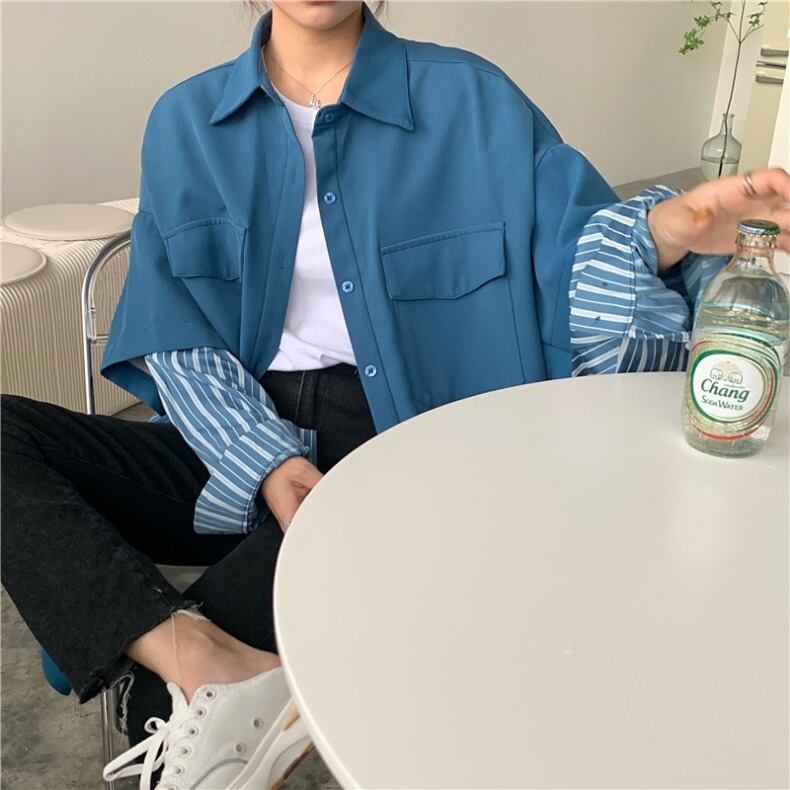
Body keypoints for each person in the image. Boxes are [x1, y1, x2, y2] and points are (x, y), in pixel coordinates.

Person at [2, 1, 788, 788]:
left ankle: (169, 656)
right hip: (232, 435)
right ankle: (199, 651)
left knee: (161, 711)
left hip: (399, 458)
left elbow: (576, 264)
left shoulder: (475, 102)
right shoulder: (186, 123)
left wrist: (662, 234)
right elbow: (177, 332)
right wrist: (266, 461)